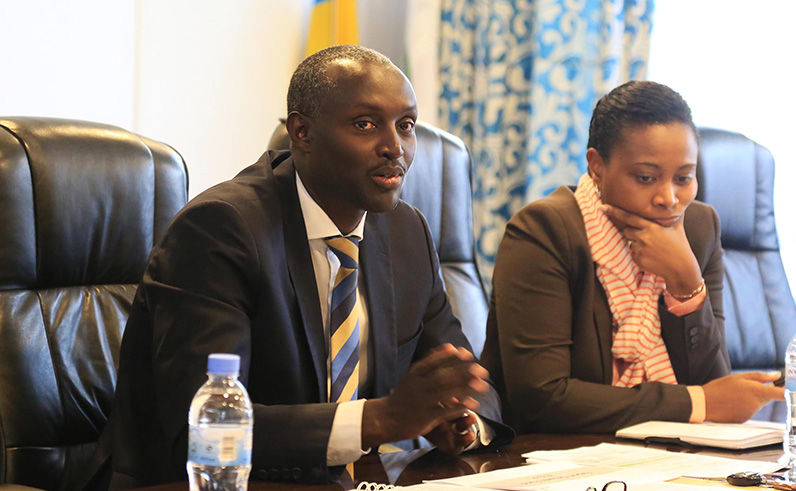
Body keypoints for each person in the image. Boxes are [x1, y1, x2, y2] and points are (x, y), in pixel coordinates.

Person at [87, 45, 511, 490]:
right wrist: (380, 420)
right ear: (302, 132)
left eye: (405, 125)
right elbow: (206, 430)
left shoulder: (406, 232)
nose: (394, 147)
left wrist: (460, 419)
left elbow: (466, 378)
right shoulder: (221, 229)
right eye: (365, 124)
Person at [480, 80, 784, 433]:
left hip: (670, 451)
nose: (669, 198)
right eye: (646, 177)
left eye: (684, 177)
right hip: (557, 452)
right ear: (596, 166)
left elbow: (713, 384)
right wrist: (695, 402)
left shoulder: (699, 228)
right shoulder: (544, 230)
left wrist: (686, 283)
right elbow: (542, 398)